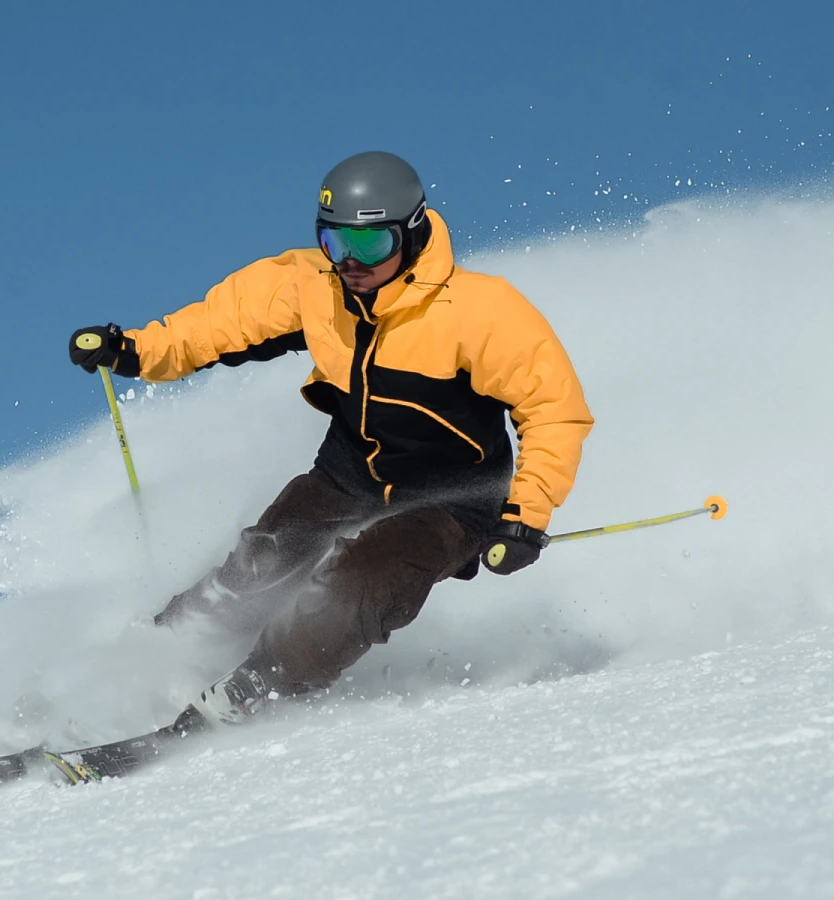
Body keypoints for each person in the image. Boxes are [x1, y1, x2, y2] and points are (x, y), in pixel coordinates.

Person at [69, 151, 593, 730]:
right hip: (350, 474)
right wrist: (137, 350)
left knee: (359, 583)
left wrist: (525, 516)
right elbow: (220, 324)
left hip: (454, 498)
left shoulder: (481, 312)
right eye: (333, 243)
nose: (349, 263)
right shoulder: (316, 286)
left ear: (412, 233)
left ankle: (257, 686)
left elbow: (555, 410)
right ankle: (151, 659)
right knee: (261, 562)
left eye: (367, 246)